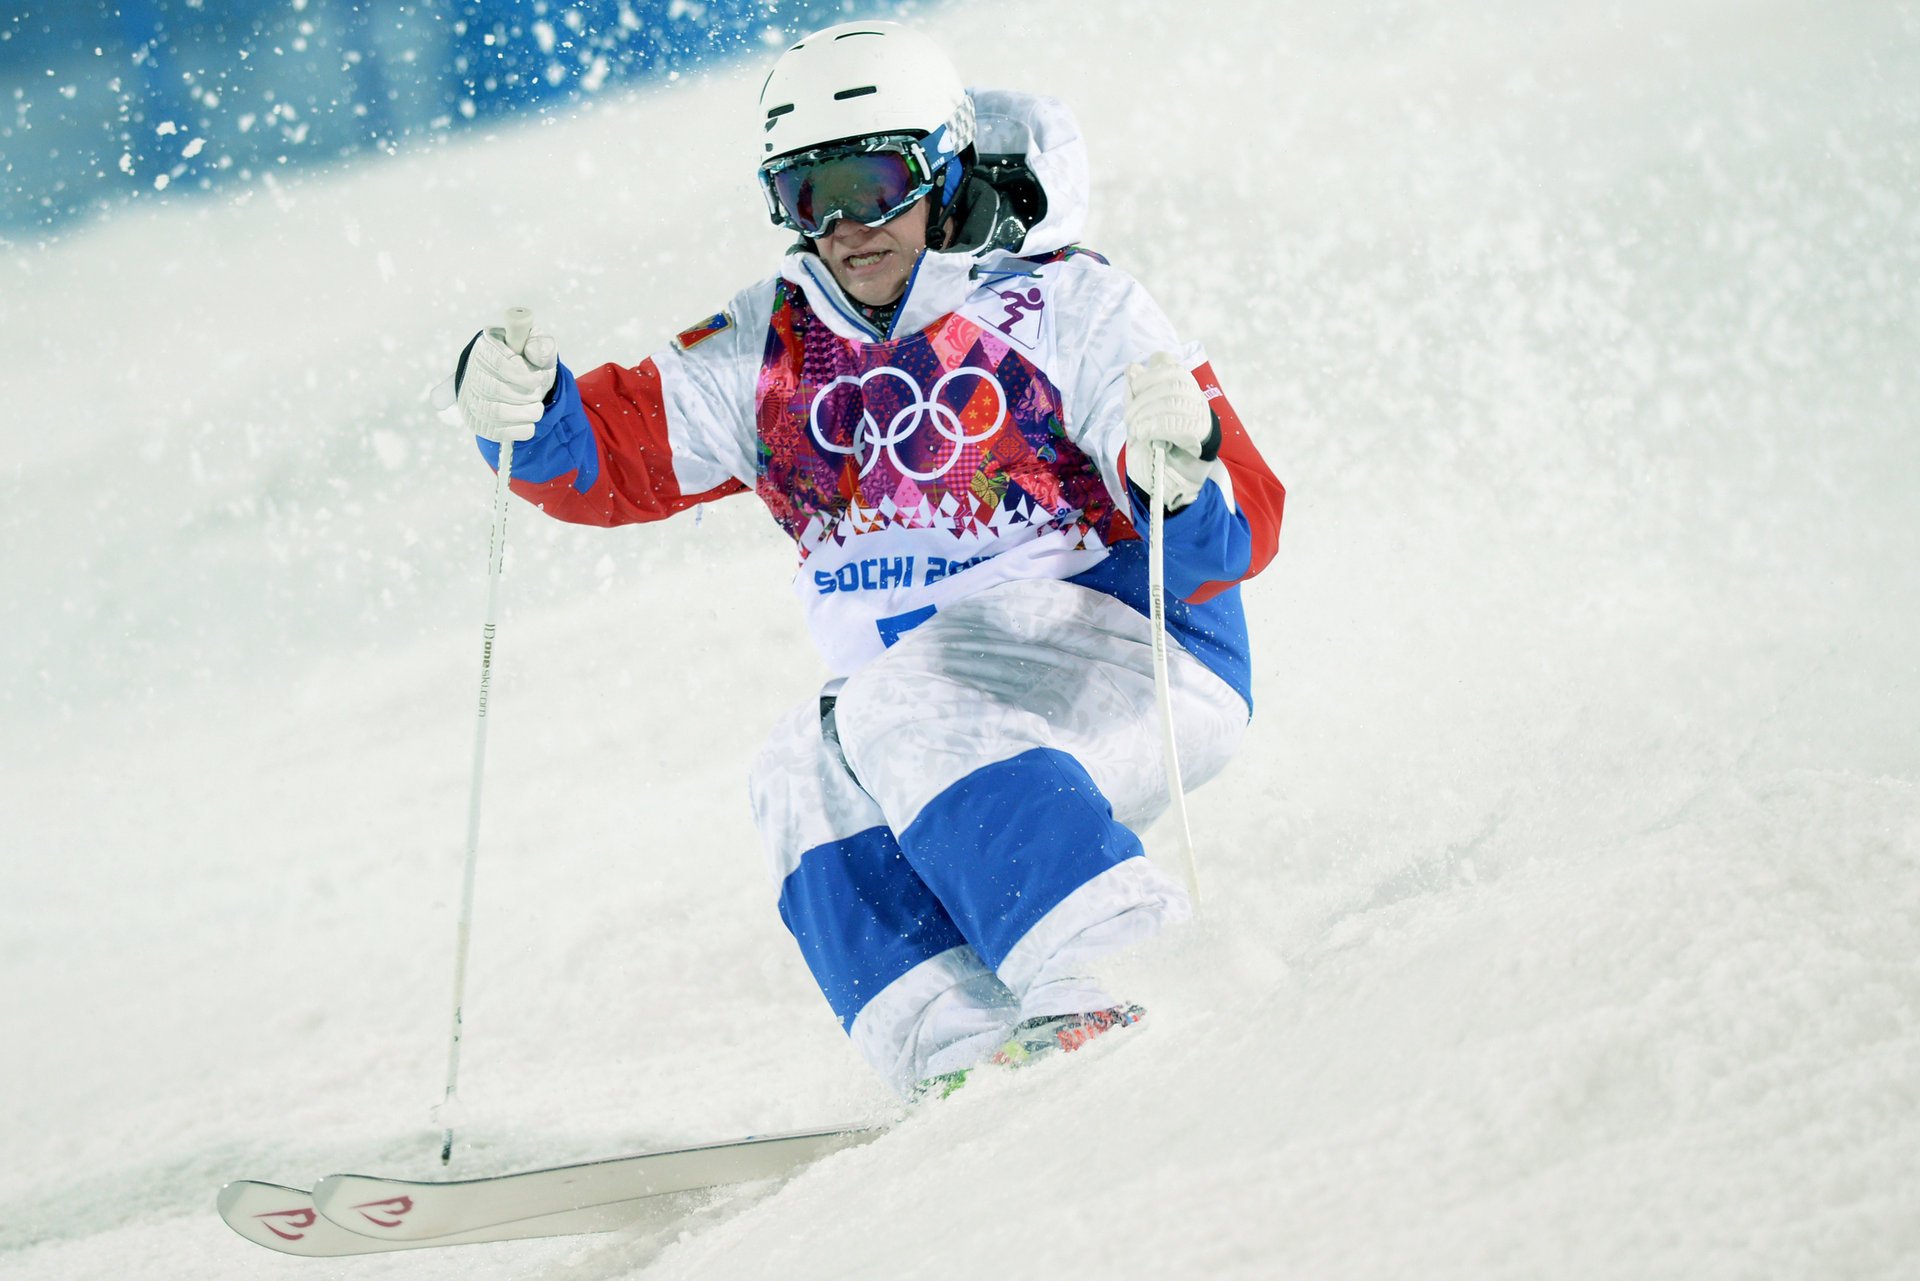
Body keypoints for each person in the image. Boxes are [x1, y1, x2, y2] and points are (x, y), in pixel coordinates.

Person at [445, 20, 1286, 1099]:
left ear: (941, 165)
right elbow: (611, 458)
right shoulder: (769, 348)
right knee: (801, 762)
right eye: (807, 198)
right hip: (945, 698)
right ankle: (958, 1047)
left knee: (896, 710)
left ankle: (1125, 968)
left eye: (872, 181)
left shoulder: (1064, 302)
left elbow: (1238, 513)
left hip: (1137, 652)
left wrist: (1175, 470)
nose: (845, 227)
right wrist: (523, 409)